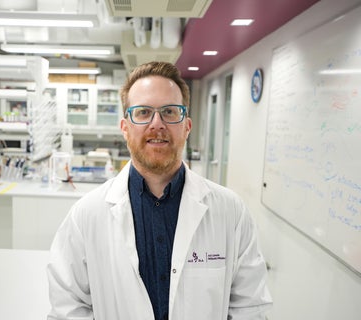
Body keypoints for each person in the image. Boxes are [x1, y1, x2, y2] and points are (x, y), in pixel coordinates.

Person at [47, 61, 272, 320]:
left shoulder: (231, 212)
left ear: (186, 126)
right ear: (125, 128)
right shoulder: (85, 215)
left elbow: (249, 308)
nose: (157, 123)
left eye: (169, 112)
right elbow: (68, 307)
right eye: (143, 112)